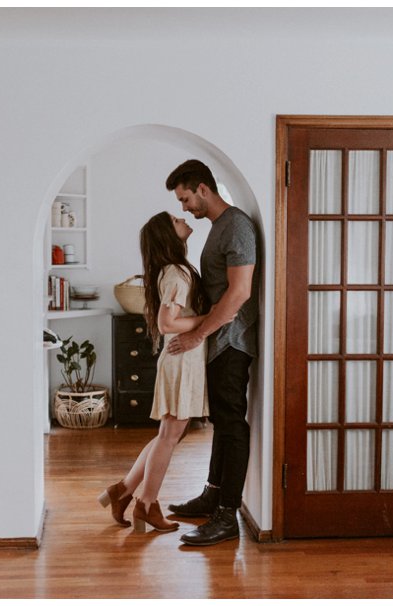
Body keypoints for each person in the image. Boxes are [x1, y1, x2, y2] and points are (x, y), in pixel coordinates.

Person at [164, 159, 259, 547]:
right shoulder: (220, 228)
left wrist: (196, 335)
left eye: (186, 198)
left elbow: (239, 293)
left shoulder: (236, 225)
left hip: (232, 340)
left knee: (232, 423)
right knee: (222, 420)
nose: (185, 207)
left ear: (203, 188)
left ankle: (227, 515)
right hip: (220, 339)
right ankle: (212, 494)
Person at [98, 211, 210, 533]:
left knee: (169, 433)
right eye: (176, 219)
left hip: (181, 358)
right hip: (182, 358)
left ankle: (123, 491)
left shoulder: (173, 270)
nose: (183, 219)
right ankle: (147, 504)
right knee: (170, 435)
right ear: (168, 235)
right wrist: (209, 318)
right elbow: (166, 324)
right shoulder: (176, 272)